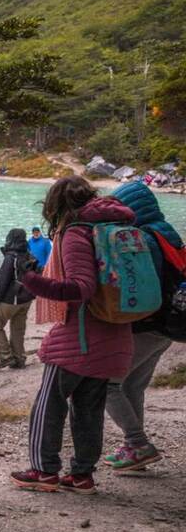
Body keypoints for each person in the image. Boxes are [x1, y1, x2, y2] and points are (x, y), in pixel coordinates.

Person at [10, 176, 134, 494]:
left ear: (55, 205)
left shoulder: (75, 232)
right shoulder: (108, 227)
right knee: (89, 409)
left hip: (79, 336)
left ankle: (44, 470)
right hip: (114, 333)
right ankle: (81, 475)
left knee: (48, 405)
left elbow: (81, 288)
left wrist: (32, 280)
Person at [103, 181, 182, 471]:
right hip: (171, 324)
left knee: (106, 384)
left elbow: (135, 284)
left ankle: (138, 444)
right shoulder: (166, 232)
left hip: (149, 323)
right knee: (133, 385)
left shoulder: (140, 239)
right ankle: (133, 450)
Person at [0, 229, 36, 370]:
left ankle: (6, 357)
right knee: (17, 329)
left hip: (12, 299)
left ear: (9, 239)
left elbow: (2, 282)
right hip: (26, 298)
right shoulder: (29, 256)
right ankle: (19, 359)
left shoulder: (10, 258)